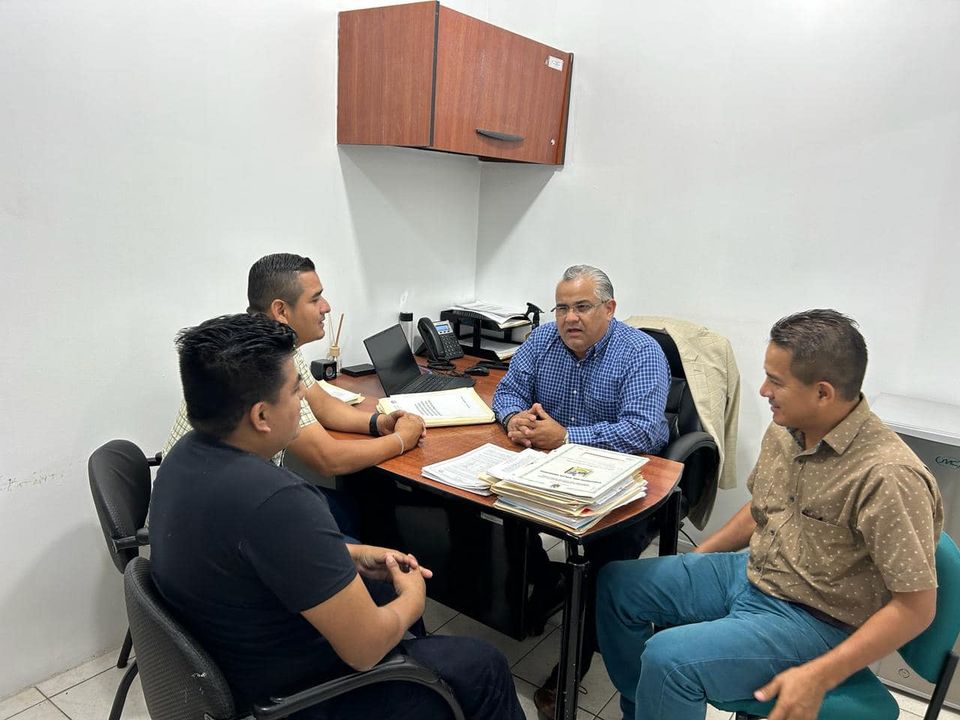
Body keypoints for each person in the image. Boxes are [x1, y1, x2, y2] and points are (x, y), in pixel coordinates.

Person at [150, 313, 524, 720]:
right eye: (295, 390)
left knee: (379, 590)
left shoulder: (183, 456)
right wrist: (415, 597)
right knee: (484, 666)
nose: (302, 399)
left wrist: (351, 555)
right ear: (260, 417)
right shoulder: (277, 501)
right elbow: (365, 650)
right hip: (297, 698)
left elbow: (253, 553)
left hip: (233, 657)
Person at [596, 309, 943, 720]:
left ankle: (659, 699)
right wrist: (696, 560)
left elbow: (916, 608)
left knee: (668, 659)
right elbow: (761, 509)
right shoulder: (786, 428)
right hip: (753, 572)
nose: (763, 391)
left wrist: (820, 676)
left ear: (823, 393)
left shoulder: (889, 476)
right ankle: (644, 708)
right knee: (618, 584)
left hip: (815, 618)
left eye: (776, 381)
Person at [492, 264, 671, 718]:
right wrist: (514, 418)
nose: (570, 318)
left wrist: (567, 437)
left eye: (582, 307)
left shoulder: (640, 352)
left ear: (609, 309)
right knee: (495, 503)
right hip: (545, 470)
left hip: (616, 484)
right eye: (562, 308)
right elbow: (507, 391)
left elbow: (645, 431)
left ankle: (573, 667)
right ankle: (545, 583)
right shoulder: (541, 340)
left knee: (600, 570)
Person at [162, 253, 425, 534]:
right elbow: (327, 458)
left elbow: (321, 404)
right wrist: (401, 440)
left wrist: (377, 423)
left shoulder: (273, 343)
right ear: (281, 310)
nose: (326, 307)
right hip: (216, 516)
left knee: (357, 506)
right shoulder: (260, 361)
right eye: (315, 299)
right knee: (359, 511)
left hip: (233, 492)